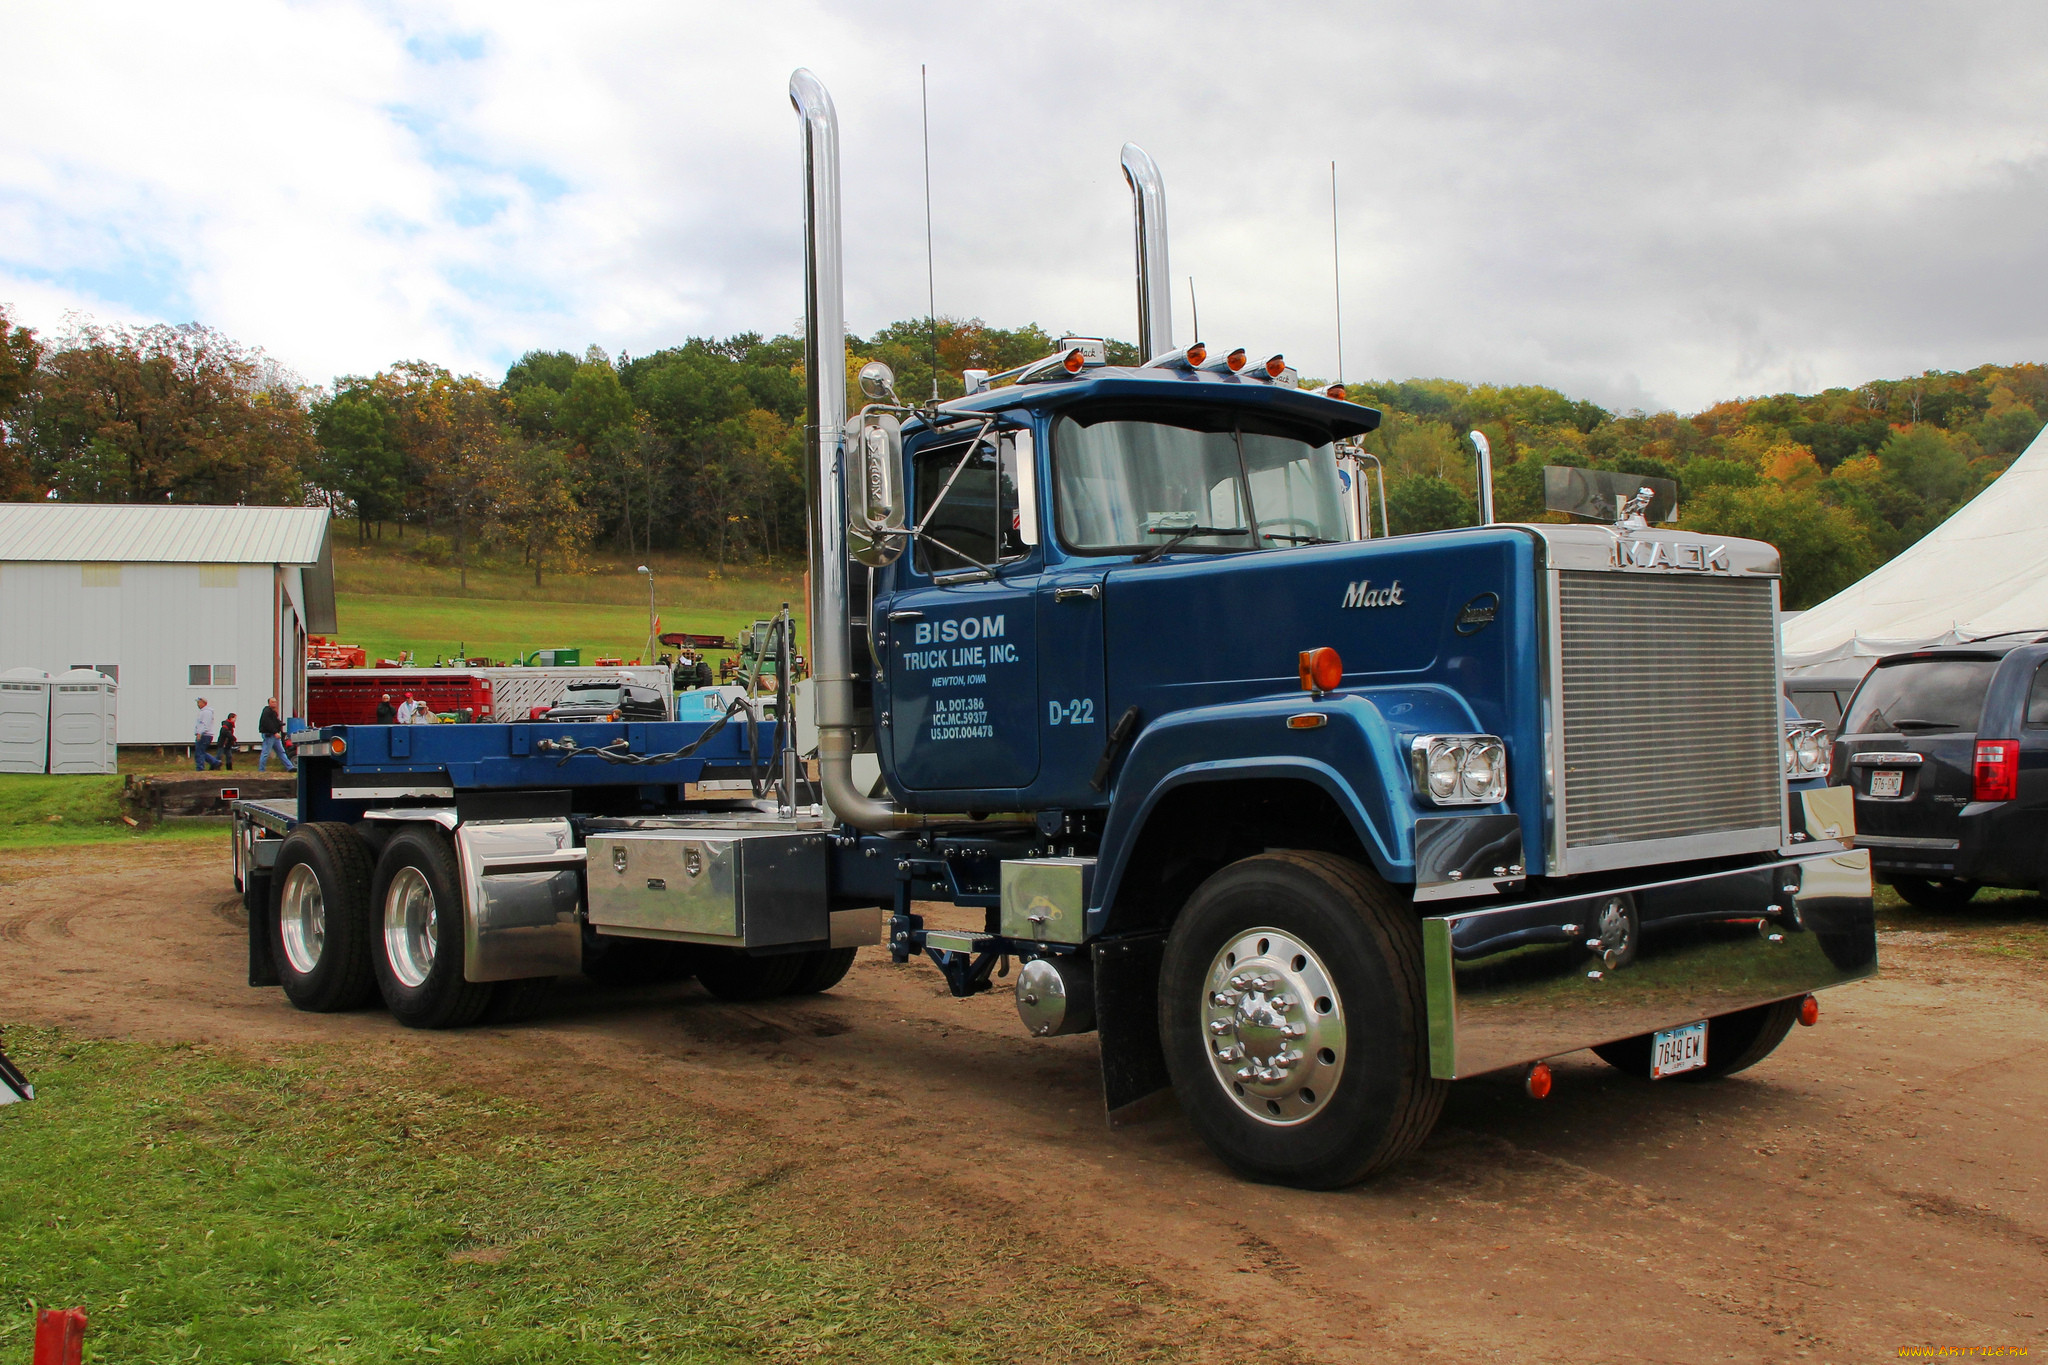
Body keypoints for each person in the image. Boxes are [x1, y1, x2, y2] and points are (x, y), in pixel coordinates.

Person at [257, 697, 294, 772]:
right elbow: (268, 724)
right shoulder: (267, 712)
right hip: (270, 735)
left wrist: (280, 724)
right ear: (269, 703)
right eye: (272, 702)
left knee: (281, 752)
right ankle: (261, 770)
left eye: (275, 702)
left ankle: (290, 767)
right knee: (265, 753)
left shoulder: (272, 712)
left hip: (274, 736)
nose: (274, 703)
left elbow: (274, 722)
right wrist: (275, 732)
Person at [193, 697, 221, 770]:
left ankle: (200, 768)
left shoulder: (206, 712)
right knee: (200, 752)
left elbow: (205, 724)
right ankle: (215, 762)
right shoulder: (203, 712)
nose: (198, 704)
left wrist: (200, 733)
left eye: (199, 702)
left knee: (199, 752)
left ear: (203, 703)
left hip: (205, 735)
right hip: (204, 734)